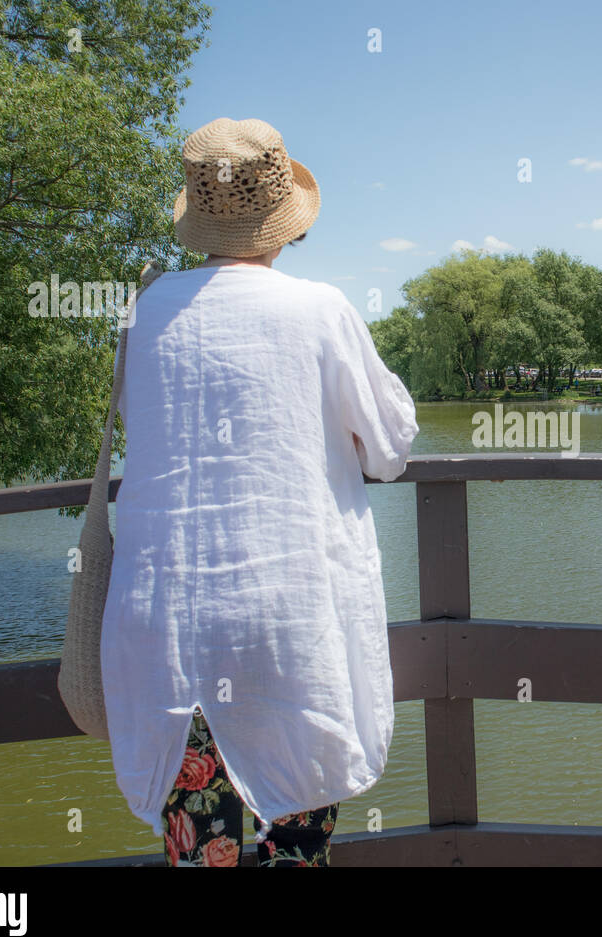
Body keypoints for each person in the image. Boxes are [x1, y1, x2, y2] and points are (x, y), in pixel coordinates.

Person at [102, 118, 419, 867]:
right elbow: (391, 446)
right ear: (283, 225)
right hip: (289, 630)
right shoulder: (318, 310)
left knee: (201, 855)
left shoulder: (143, 315)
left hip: (168, 636)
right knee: (296, 852)